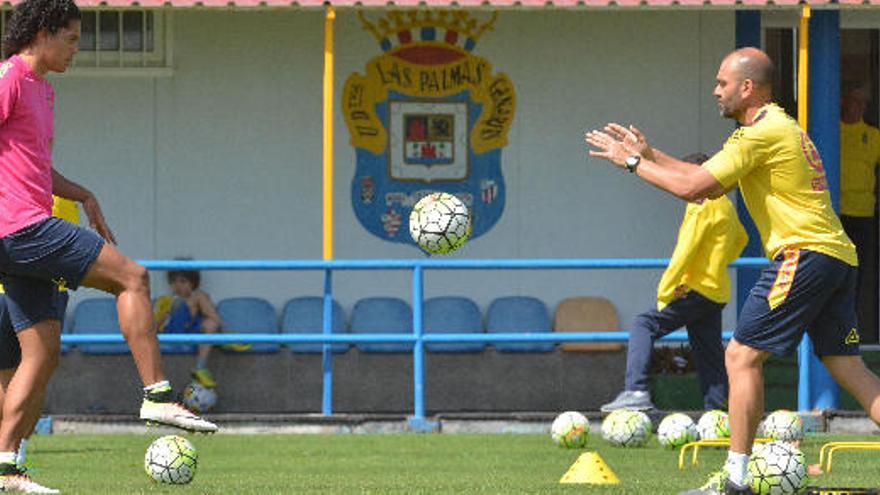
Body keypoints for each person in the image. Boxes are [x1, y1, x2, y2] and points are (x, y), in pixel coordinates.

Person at [585, 47, 880, 495]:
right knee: (849, 368)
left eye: (722, 83)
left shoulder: (759, 135)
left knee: (741, 356)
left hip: (803, 254)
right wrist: (651, 153)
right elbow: (709, 182)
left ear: (747, 88)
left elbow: (691, 189)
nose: (715, 90)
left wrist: (631, 163)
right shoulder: (774, 128)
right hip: (836, 256)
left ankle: (736, 481)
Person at [0, 1, 217, 491]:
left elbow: (32, 168)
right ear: (43, 31)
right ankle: (158, 395)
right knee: (133, 276)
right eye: (72, 39)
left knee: (41, 353)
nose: (78, 49)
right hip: (21, 229)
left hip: (21, 230)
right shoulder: (10, 78)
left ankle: (7, 467)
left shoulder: (43, 92)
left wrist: (84, 195)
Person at [600, 152, 748, 413]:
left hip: (695, 288)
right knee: (709, 354)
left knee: (643, 324)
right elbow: (741, 239)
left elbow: (685, 250)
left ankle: (636, 391)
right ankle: (717, 413)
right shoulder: (724, 202)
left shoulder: (701, 203)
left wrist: (667, 290)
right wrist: (717, 262)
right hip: (716, 290)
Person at [0, 198, 77, 474]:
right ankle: (11, 452)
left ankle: (11, 453)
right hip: (27, 291)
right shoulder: (58, 195)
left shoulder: (56, 194)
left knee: (25, 375)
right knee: (29, 375)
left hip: (41, 291)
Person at [839, 84, 880, 325]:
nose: (860, 107)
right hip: (836, 213)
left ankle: (851, 330)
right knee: (835, 274)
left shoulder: (874, 136)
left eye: (864, 103)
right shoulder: (829, 130)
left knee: (858, 275)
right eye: (856, 101)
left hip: (863, 214)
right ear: (844, 102)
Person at [154, 267, 222, 388]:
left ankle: (200, 367)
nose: (177, 286)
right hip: (173, 332)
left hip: (191, 331)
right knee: (199, 296)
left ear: (192, 283)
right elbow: (153, 328)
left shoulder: (198, 298)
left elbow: (208, 321)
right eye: (174, 282)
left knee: (211, 323)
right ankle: (228, 335)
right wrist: (167, 311)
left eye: (183, 281)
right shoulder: (166, 300)